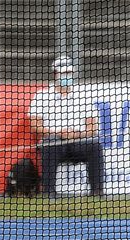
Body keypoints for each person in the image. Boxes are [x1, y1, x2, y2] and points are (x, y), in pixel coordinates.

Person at [28, 56, 105, 197]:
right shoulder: (42, 96)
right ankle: (49, 192)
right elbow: (35, 126)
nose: (67, 76)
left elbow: (93, 128)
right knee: (50, 143)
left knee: (95, 145)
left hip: (78, 141)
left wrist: (78, 134)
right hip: (54, 140)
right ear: (55, 74)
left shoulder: (84, 95)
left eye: (69, 73)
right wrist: (57, 133)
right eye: (63, 73)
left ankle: (97, 192)